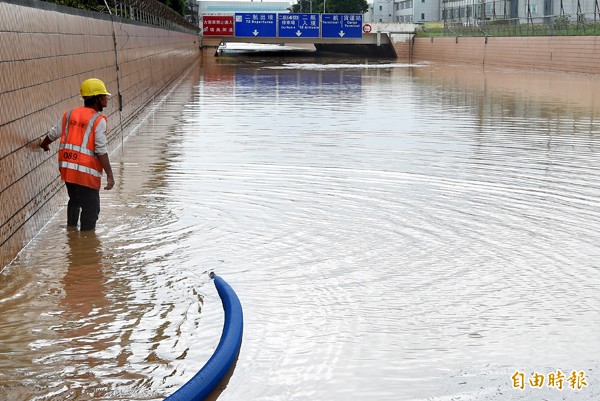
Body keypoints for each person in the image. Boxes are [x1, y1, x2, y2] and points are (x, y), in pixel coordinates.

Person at [40, 78, 115, 231]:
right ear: (96, 99)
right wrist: (110, 174)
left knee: (74, 199)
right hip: (86, 172)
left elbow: (54, 133)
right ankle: (86, 244)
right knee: (91, 210)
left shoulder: (70, 114)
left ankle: (71, 231)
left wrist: (44, 144)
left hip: (67, 168)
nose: (106, 99)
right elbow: (101, 150)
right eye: (103, 96)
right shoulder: (98, 120)